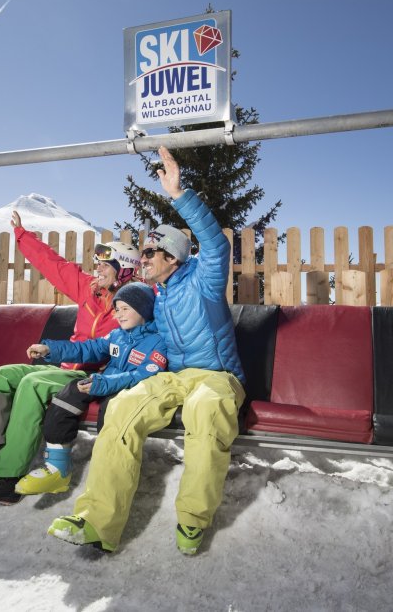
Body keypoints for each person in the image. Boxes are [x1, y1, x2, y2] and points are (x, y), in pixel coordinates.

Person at [49, 146, 245, 555]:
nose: (143, 258)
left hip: (217, 377)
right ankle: (98, 521)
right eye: (142, 253)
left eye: (150, 252)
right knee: (121, 408)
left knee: (205, 410)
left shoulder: (203, 281)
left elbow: (217, 246)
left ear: (173, 256)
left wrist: (179, 194)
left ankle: (193, 519)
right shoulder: (157, 293)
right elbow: (125, 315)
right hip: (172, 377)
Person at [0, 212, 143, 504]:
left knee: (33, 383)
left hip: (93, 376)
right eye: (97, 264)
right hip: (66, 367)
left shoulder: (137, 304)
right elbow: (55, 266)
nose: (98, 270)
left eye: (105, 265)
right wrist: (23, 236)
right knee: (3, 374)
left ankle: (6, 478)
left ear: (123, 270)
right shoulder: (89, 290)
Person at [14, 282, 167, 495]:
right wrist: (51, 349)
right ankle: (57, 469)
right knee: (70, 391)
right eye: (117, 309)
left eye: (126, 309)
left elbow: (144, 374)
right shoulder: (117, 335)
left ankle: (110, 477)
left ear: (143, 310)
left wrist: (105, 383)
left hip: (129, 392)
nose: (119, 315)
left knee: (112, 409)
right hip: (104, 382)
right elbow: (88, 349)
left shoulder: (157, 342)